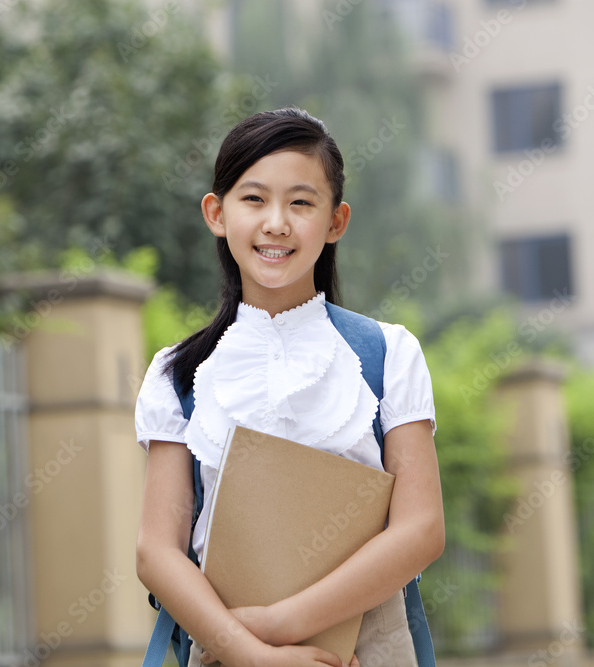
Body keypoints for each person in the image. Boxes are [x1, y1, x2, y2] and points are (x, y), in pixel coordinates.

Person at [135, 107, 445, 667]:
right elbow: (158, 551)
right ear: (216, 212)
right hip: (225, 643)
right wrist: (253, 655)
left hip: (365, 645)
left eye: (301, 203)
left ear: (336, 222)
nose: (276, 222)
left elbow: (422, 529)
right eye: (253, 199)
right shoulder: (176, 373)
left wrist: (282, 624)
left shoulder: (388, 354)